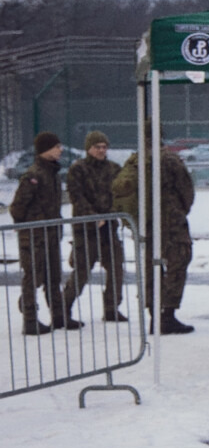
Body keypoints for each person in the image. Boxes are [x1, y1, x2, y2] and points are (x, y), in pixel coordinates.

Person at [112, 130, 196, 334]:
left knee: (151, 267)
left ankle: (153, 315)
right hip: (172, 222)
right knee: (178, 262)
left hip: (145, 222)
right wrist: (180, 210)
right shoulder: (170, 159)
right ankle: (167, 315)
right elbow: (186, 190)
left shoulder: (135, 160)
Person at [9, 132, 73, 334]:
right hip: (35, 236)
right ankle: (30, 319)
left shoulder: (52, 173)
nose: (60, 150)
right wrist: (30, 227)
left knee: (54, 276)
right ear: (46, 149)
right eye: (56, 146)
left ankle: (59, 316)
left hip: (51, 234)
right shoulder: (34, 175)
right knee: (33, 276)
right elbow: (17, 207)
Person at [62, 131, 127, 325]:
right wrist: (94, 217)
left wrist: (112, 213)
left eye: (104, 147)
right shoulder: (78, 169)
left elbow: (121, 193)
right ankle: (64, 310)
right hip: (86, 229)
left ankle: (111, 308)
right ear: (88, 148)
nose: (101, 150)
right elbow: (77, 196)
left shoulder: (114, 168)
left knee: (116, 268)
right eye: (97, 147)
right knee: (81, 271)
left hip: (109, 228)